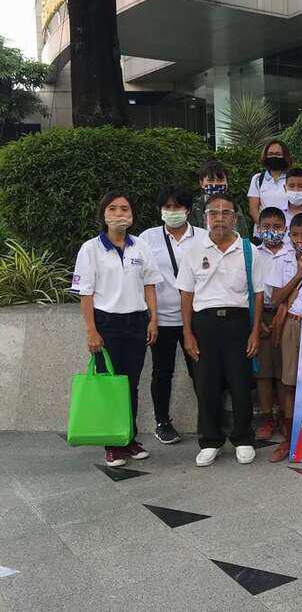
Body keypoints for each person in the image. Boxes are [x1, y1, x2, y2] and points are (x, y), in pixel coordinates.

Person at [72, 192, 162, 468]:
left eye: (124, 208)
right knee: (109, 384)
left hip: (136, 323)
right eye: (113, 208)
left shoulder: (141, 247)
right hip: (106, 324)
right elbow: (85, 294)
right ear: (104, 214)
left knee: (130, 385)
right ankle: (112, 444)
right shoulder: (90, 249)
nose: (119, 213)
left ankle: (129, 438)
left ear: (132, 215)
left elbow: (149, 285)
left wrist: (153, 319)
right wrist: (91, 331)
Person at [177, 194, 264, 467]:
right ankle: (210, 440)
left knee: (241, 383)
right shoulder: (192, 250)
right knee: (206, 384)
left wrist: (255, 332)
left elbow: (258, 294)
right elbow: (186, 295)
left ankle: (243, 438)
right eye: (214, 213)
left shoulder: (249, 250)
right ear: (205, 218)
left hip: (238, 324)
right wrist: (188, 333)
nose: (220, 218)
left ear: (235, 218)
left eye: (226, 213)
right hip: (204, 325)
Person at [139, 186, 207, 445]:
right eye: (167, 207)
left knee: (201, 370)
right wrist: (151, 318)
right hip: (162, 319)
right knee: (162, 372)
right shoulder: (148, 238)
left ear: (188, 210)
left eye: (177, 206)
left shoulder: (203, 236)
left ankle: (208, 420)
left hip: (197, 317)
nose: (172, 211)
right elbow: (142, 278)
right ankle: (162, 422)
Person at [266, 212, 302, 462]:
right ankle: (290, 440)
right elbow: (276, 298)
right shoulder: (282, 260)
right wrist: (299, 274)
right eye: (296, 235)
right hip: (293, 322)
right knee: (290, 383)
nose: (300, 240)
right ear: (289, 236)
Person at [252, 206, 292, 441]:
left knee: (284, 373)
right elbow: (246, 288)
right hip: (261, 315)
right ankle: (267, 419)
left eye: (277, 227)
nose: (271, 231)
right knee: (264, 373)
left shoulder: (292, 253)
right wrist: (256, 321)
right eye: (266, 227)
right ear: (258, 229)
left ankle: (286, 418)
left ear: (285, 229)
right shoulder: (252, 253)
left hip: (286, 315)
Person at [189, 160, 251, 236]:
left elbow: (243, 234)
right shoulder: (195, 208)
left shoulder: (235, 207)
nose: (215, 184)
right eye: (211, 180)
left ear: (227, 183)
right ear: (201, 183)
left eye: (220, 180)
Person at [248, 140, 292, 228]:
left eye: (278, 154)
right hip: (263, 231)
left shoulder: (292, 178)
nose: (274, 157)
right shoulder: (257, 179)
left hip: (287, 230)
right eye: (270, 154)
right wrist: (266, 228)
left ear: (285, 156)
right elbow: (253, 210)